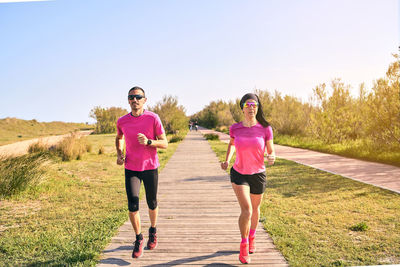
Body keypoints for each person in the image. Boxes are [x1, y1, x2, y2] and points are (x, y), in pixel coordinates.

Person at [221, 93, 275, 264]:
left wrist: (272, 156)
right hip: (239, 173)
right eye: (248, 104)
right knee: (247, 210)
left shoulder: (265, 128)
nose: (251, 107)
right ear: (242, 108)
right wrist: (227, 159)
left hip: (258, 174)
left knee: (256, 209)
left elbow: (271, 150)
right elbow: (231, 145)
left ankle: (252, 236)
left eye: (254, 104)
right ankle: (243, 244)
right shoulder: (235, 128)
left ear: (258, 108)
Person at [116, 86, 168, 259]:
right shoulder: (122, 121)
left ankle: (153, 230)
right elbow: (119, 138)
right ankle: (138, 238)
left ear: (145, 100)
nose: (135, 100)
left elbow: (165, 143)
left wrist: (148, 142)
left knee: (152, 202)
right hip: (131, 168)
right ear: (128, 100)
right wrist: (119, 153)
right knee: (132, 204)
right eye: (131, 97)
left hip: (150, 167)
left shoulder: (153, 118)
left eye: (138, 97)